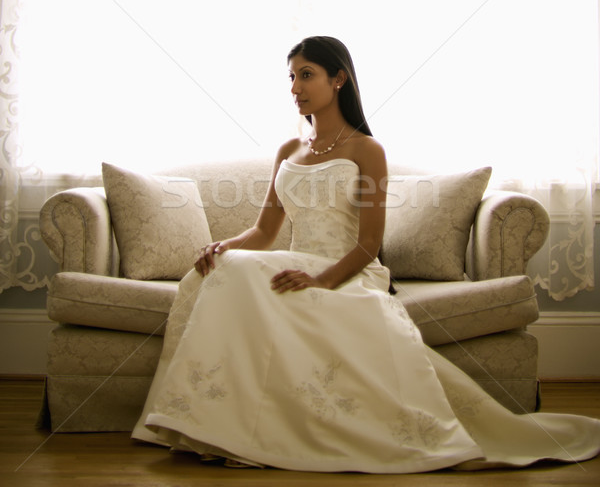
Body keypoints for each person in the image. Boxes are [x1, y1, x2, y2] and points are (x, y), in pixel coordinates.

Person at [132, 36, 600, 473]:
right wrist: (222, 246)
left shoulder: (366, 150)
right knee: (220, 271)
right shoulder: (289, 149)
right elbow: (264, 230)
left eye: (307, 75)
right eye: (291, 78)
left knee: (245, 278)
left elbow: (368, 244)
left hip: (348, 270)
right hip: (296, 262)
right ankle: (213, 424)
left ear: (339, 80)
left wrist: (322, 280)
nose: (295, 88)